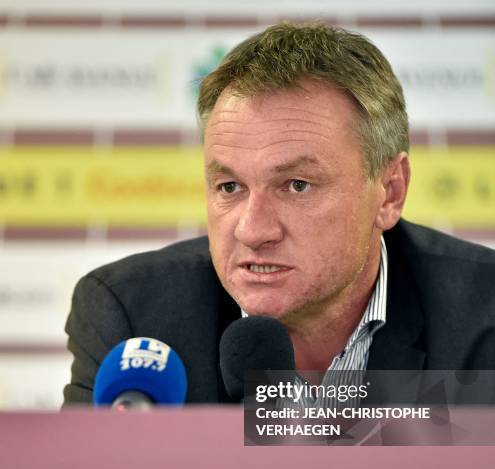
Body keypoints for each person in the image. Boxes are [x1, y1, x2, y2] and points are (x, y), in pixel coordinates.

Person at [63, 22, 495, 406]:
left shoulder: (483, 314)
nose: (253, 230)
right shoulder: (134, 318)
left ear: (389, 192)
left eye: (297, 186)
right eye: (229, 187)